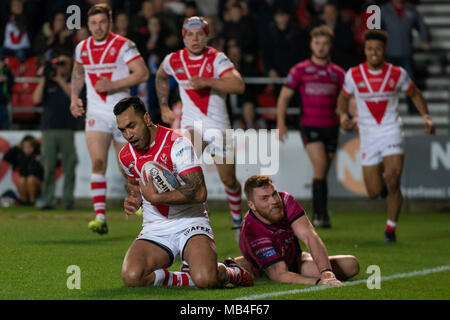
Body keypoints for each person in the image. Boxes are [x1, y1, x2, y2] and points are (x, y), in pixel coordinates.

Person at [114, 96, 252, 289]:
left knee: (207, 279)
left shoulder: (177, 144)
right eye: (122, 130)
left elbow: (199, 193)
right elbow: (134, 184)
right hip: (156, 227)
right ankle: (188, 276)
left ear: (146, 118)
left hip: (191, 222)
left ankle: (232, 272)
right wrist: (134, 198)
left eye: (132, 126)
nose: (128, 135)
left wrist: (156, 197)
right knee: (132, 277)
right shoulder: (126, 155)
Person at [337, 30, 436, 242]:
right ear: (364, 50)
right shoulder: (353, 74)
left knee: (393, 180)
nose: (374, 53)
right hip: (368, 135)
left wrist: (426, 117)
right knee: (373, 191)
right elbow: (343, 98)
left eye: (378, 49)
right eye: (370, 48)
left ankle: (390, 229)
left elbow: (415, 94)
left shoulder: (397, 73)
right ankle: (384, 188)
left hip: (391, 130)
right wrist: (344, 115)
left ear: (384, 51)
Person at [155, 16, 245, 242]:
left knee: (229, 180)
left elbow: (238, 85)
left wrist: (208, 81)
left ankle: (237, 218)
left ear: (206, 36)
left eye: (200, 34)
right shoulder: (174, 59)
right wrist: (164, 106)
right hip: (190, 124)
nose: (195, 39)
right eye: (190, 34)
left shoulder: (217, 59)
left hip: (219, 126)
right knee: (184, 173)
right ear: (184, 36)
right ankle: (190, 222)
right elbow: (160, 76)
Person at [70, 3, 149, 235]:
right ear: (88, 25)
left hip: (123, 115)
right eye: (93, 23)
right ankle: (100, 217)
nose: (98, 27)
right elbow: (77, 73)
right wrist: (74, 97)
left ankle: (145, 207)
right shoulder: (82, 47)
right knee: (98, 163)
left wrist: (112, 85)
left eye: (102, 22)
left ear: (110, 23)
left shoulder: (124, 45)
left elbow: (142, 72)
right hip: (96, 115)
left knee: (129, 169)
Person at [230, 174, 359, 285]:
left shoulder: (286, 200)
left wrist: (327, 273)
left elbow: (309, 236)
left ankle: (244, 262)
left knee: (351, 265)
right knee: (277, 272)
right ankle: (246, 265)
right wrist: (318, 282)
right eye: (265, 198)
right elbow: (279, 274)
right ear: (252, 205)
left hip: (294, 259)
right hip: (271, 266)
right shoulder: (252, 229)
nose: (274, 201)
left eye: (274, 194)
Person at [277, 25, 345, 228]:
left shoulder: (338, 73)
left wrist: (348, 116)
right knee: (320, 165)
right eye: (317, 43)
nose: (321, 47)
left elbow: (346, 99)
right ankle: (319, 215)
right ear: (311, 44)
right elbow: (284, 97)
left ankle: (320, 213)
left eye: (325, 43)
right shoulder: (300, 70)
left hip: (332, 127)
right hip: (310, 125)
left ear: (330, 46)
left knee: (322, 172)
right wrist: (281, 122)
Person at [33, 53, 77, 210]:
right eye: (58, 63)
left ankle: (68, 201)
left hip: (67, 129)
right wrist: (44, 77)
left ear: (70, 65)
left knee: (69, 166)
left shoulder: (73, 81)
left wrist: (58, 79)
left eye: (64, 63)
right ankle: (47, 200)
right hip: (49, 129)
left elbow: (74, 96)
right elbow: (36, 99)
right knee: (48, 165)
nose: (60, 66)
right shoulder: (47, 82)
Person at [381, 0, 431, 115]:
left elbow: (421, 25)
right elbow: (374, 28)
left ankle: (413, 108)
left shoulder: (411, 10)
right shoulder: (384, 10)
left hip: (406, 53)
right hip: (389, 53)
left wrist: (425, 39)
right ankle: (385, 109)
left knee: (410, 82)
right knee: (386, 84)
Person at [3, 135, 44, 205]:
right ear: (22, 147)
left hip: (38, 185)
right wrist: (16, 148)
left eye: (30, 147)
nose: (27, 149)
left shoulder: (39, 155)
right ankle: (24, 201)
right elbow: (6, 158)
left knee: (30, 179)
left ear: (34, 147)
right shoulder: (19, 155)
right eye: (25, 147)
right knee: (21, 180)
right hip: (24, 183)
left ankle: (32, 201)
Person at [0, 54, 14, 129]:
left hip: (4, 100)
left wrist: (7, 79)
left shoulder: (7, 70)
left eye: (1, 62)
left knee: (5, 121)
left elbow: (12, 82)